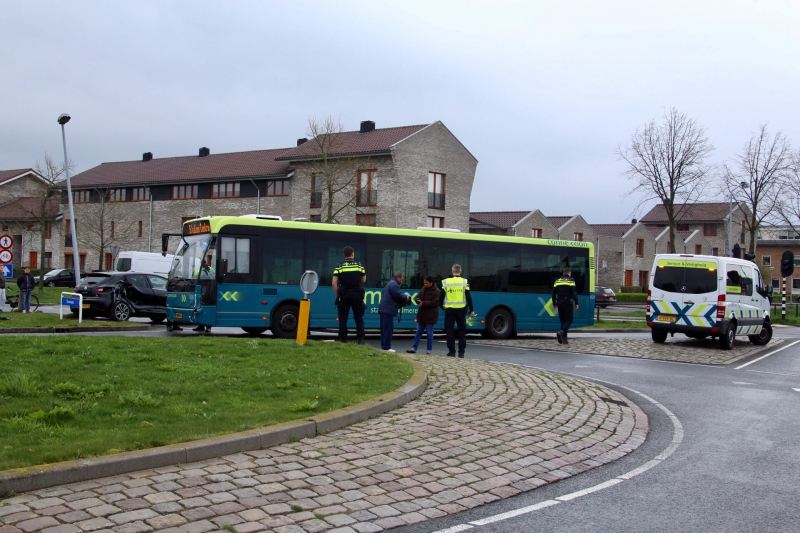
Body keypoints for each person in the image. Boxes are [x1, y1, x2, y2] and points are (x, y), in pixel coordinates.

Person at [440, 264, 475, 358]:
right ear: (461, 271)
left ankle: (451, 351)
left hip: (449, 310)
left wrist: (441, 306)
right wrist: (471, 310)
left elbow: (441, 296)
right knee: (461, 331)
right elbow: (469, 297)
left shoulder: (446, 282)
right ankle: (461, 352)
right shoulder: (464, 282)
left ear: (452, 271)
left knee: (449, 330)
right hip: (461, 310)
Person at [332, 246, 366, 344]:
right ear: (352, 254)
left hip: (344, 295)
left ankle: (343, 339)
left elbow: (334, 283)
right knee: (358, 318)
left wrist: (337, 295)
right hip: (357, 294)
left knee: (343, 318)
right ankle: (360, 339)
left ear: (344, 255)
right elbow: (363, 280)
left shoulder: (339, 266)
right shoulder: (359, 265)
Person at [378, 271, 411, 352]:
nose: (401, 281)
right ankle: (387, 347)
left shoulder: (389, 284)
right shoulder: (394, 285)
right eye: (401, 279)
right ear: (398, 278)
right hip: (388, 310)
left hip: (384, 309)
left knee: (384, 329)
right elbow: (397, 295)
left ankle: (383, 346)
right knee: (389, 329)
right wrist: (406, 297)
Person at [407, 275, 440, 354]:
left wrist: (423, 303)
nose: (425, 285)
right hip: (421, 315)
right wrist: (418, 301)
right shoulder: (423, 289)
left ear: (431, 283)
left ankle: (429, 350)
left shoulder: (436, 291)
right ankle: (414, 348)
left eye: (427, 283)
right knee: (418, 332)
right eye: (424, 283)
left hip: (431, 315)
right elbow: (418, 297)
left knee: (429, 333)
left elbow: (435, 302)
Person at [552, 266, 579, 344]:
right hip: (567, 302)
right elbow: (574, 292)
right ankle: (562, 332)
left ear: (563, 273)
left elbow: (553, 293)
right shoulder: (571, 280)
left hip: (559, 302)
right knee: (569, 319)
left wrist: (554, 303)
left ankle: (564, 339)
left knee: (563, 320)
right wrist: (576, 302)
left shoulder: (557, 281)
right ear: (569, 273)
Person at [193, 255, 214, 332]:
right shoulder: (199, 270)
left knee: (207, 309)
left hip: (207, 292)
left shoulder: (209, 270)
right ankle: (201, 325)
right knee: (201, 309)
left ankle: (208, 326)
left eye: (203, 261)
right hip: (203, 292)